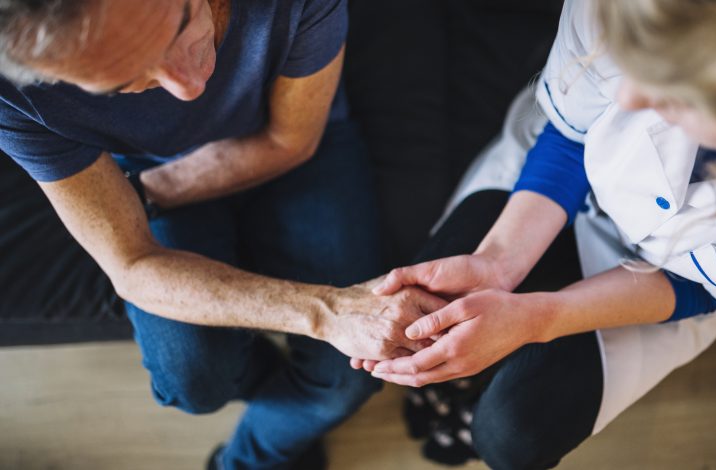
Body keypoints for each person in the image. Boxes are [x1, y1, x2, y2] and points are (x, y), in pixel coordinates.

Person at [0, 1, 447, 468]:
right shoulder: (11, 95)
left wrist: (133, 200)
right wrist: (326, 313)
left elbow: (289, 142)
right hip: (149, 169)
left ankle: (247, 460)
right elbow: (131, 264)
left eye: (180, 26)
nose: (189, 87)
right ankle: (282, 399)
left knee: (346, 381)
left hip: (302, 150)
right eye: (123, 85)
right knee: (191, 383)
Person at [353, 0, 716, 468]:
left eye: (672, 88)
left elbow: (706, 289)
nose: (629, 100)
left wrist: (539, 317)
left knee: (512, 436)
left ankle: (473, 409)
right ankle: (457, 382)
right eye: (630, 59)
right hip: (555, 186)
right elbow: (571, 134)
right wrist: (498, 262)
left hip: (677, 281)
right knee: (433, 299)